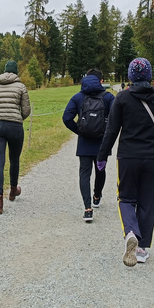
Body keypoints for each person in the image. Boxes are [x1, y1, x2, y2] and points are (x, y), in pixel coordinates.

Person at [97, 58, 154, 266]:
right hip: (153, 157)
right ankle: (141, 249)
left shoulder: (122, 98)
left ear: (131, 76)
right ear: (149, 75)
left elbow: (112, 130)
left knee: (125, 198)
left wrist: (102, 155)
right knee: (148, 202)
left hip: (128, 156)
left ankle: (130, 232)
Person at [62, 68, 115, 222]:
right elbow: (116, 119)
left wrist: (79, 131)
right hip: (102, 143)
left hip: (84, 142)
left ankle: (87, 208)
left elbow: (66, 118)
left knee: (84, 173)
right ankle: (97, 196)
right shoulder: (108, 97)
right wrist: (107, 133)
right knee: (101, 170)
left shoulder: (78, 97)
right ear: (102, 81)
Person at [0, 60, 31, 215]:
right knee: (14, 159)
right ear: (15, 72)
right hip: (15, 126)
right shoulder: (21, 87)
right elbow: (26, 110)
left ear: (4, 71)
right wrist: (17, 118)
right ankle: (13, 191)